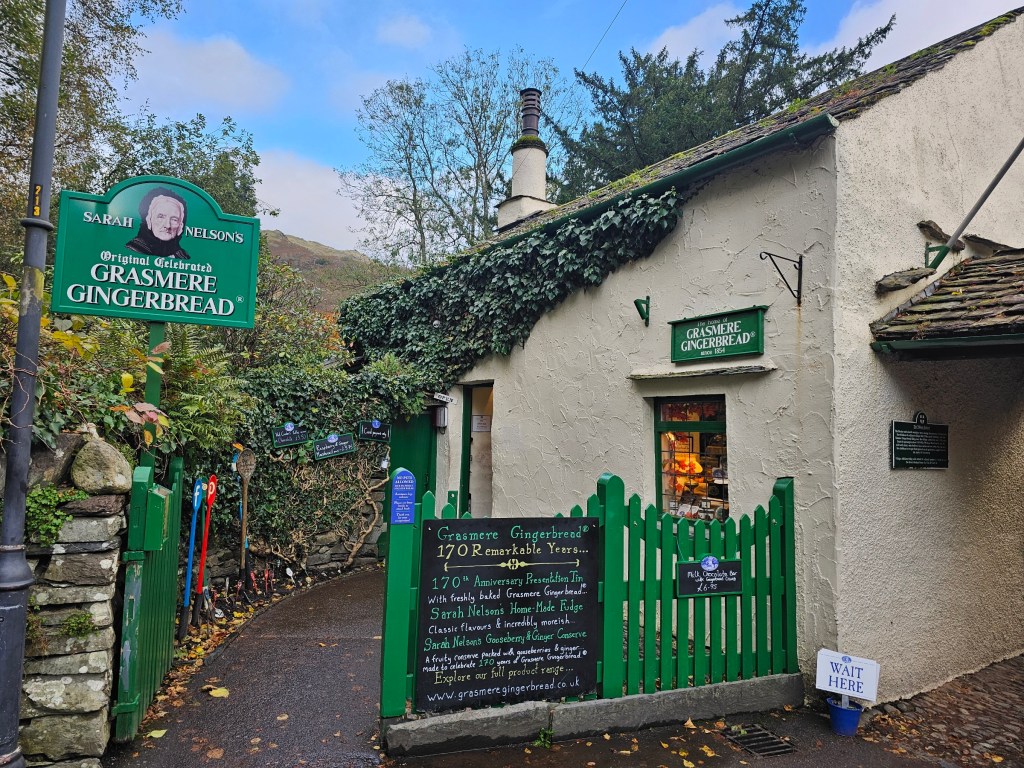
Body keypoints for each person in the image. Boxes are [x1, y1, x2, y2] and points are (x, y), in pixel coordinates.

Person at [126, 187, 190, 258]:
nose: (167, 225)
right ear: (149, 220)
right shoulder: (131, 250)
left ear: (180, 226)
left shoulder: (184, 257)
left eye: (174, 219)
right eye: (161, 217)